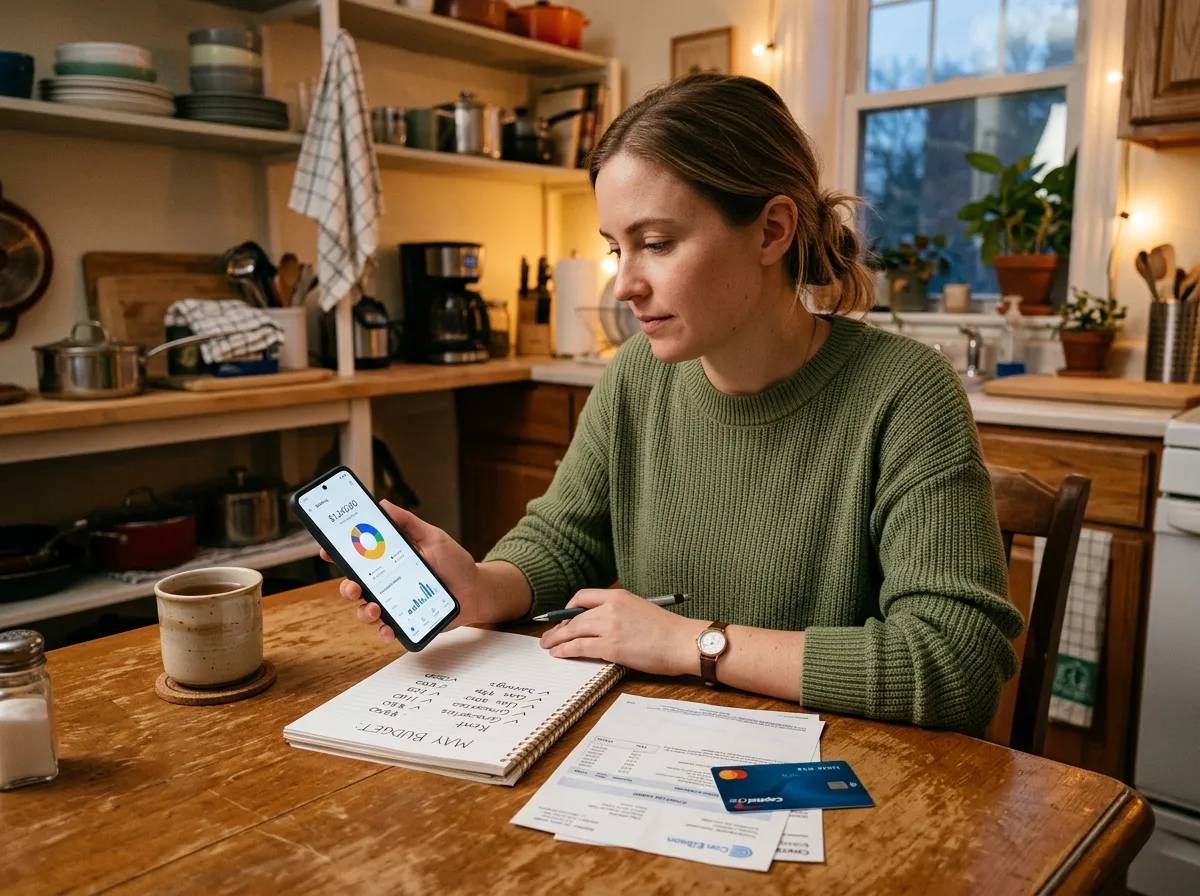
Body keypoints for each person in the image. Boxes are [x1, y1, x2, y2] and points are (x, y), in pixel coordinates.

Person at [333, 73, 1024, 736]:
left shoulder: (904, 393)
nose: (626, 284)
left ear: (771, 230)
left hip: (836, 779)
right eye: (616, 248)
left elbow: (955, 665)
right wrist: (482, 587)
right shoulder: (637, 374)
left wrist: (692, 644)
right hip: (653, 752)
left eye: (656, 243)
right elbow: (565, 537)